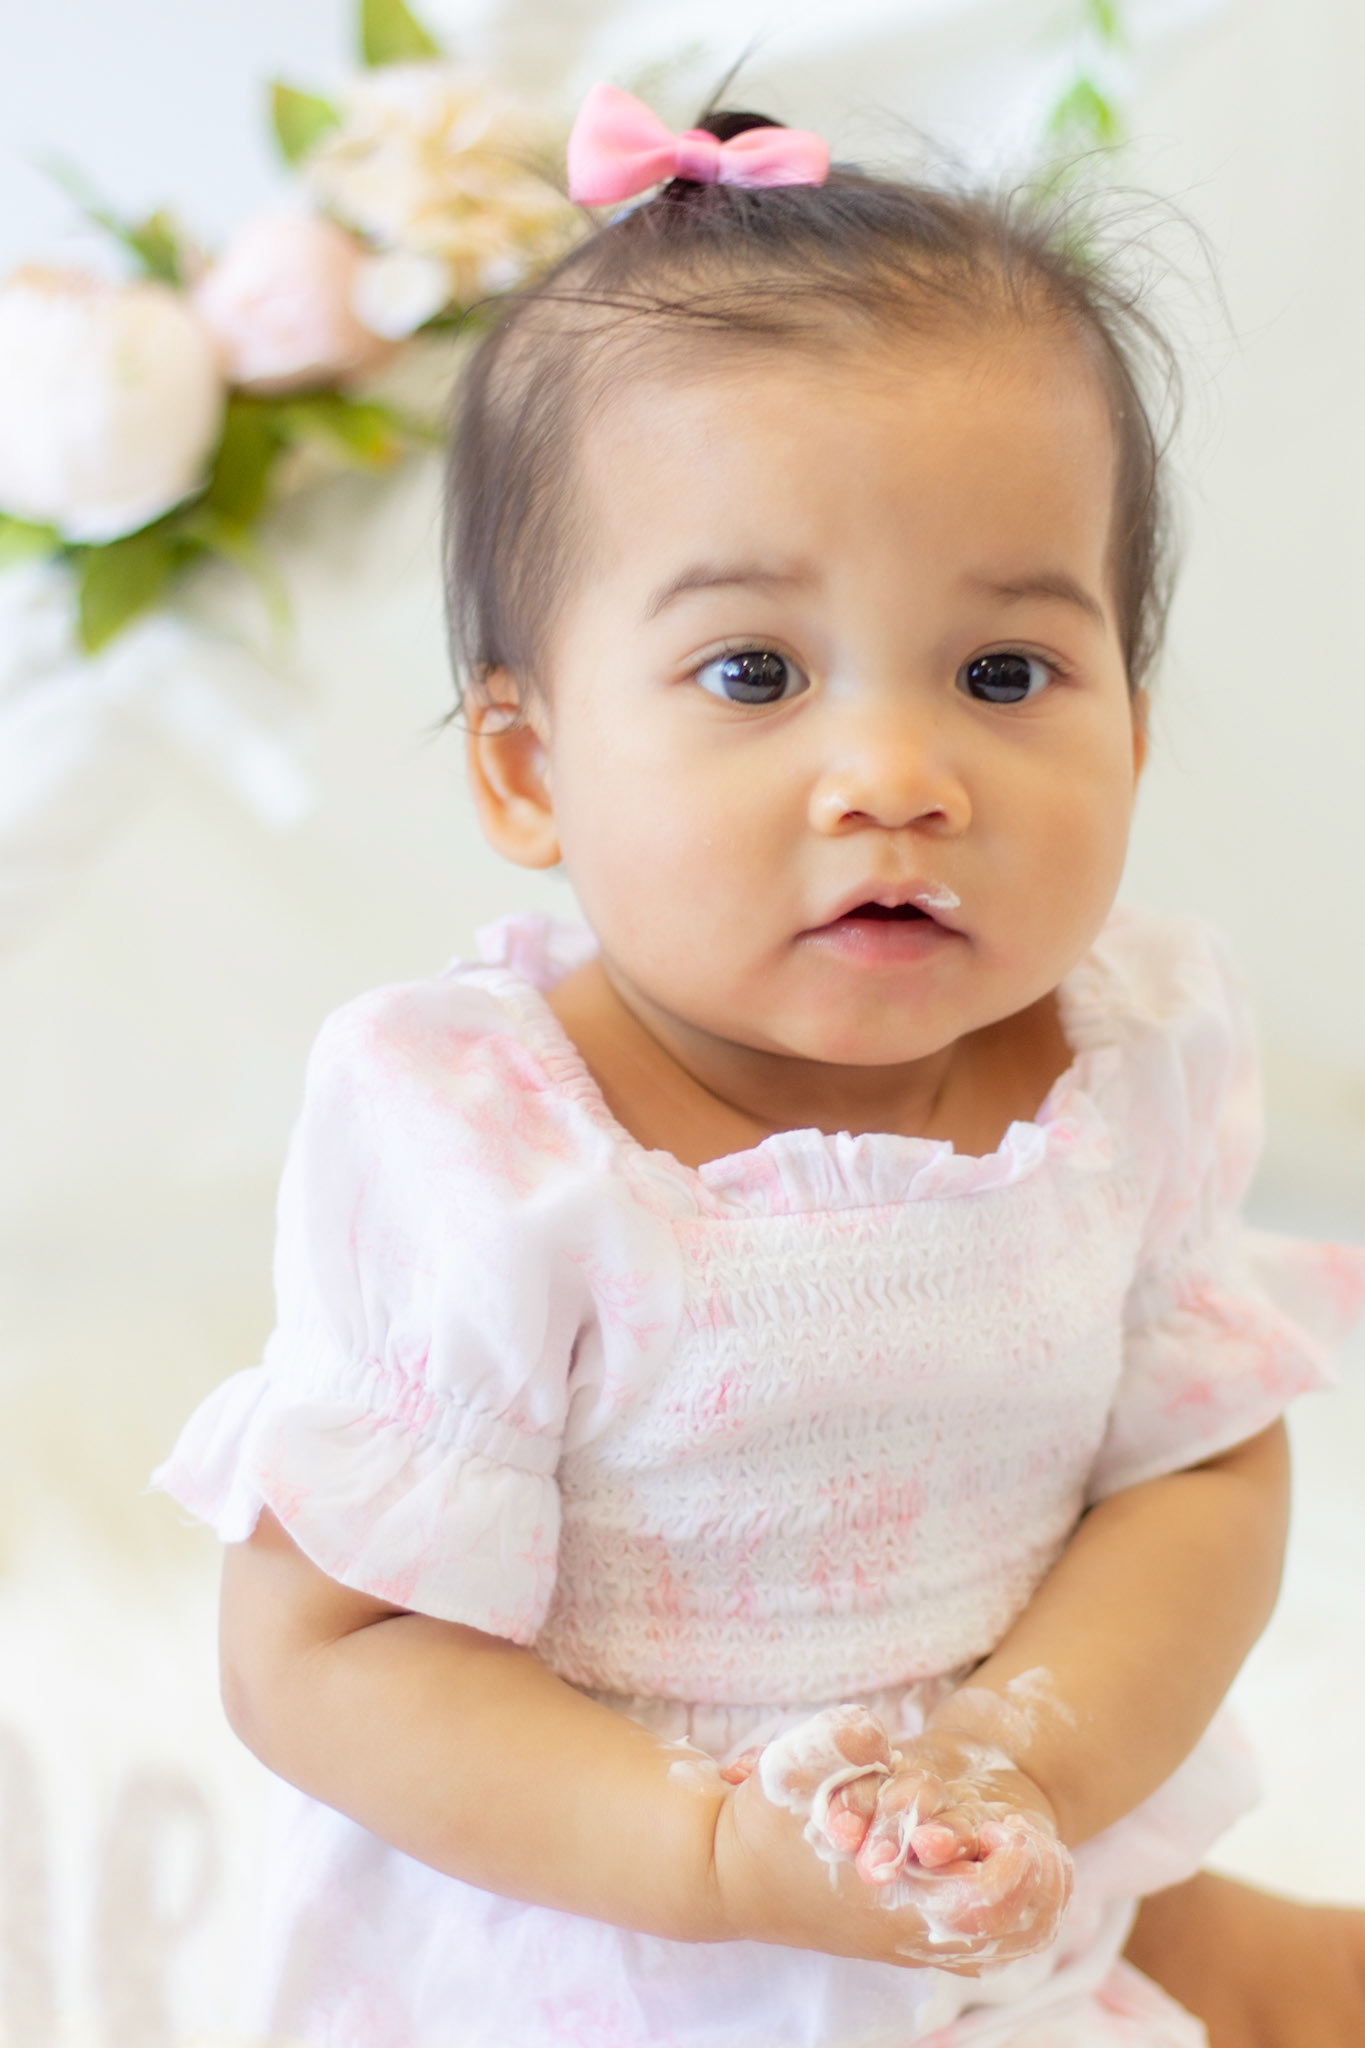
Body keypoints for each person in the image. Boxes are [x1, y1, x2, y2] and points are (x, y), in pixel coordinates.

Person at [155, 85, 1365, 2048]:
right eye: (752, 673)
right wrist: (719, 1857)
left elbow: (1196, 1473)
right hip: (618, 1935)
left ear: (1132, 731)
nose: (895, 775)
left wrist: (1021, 1763)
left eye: (1001, 674)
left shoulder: (1125, 1062)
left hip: (1013, 1856)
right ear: (527, 766)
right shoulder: (484, 1146)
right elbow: (327, 1650)